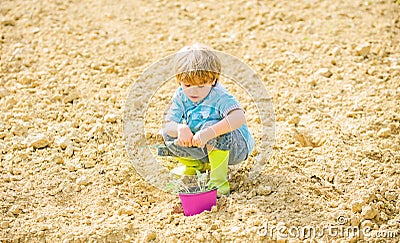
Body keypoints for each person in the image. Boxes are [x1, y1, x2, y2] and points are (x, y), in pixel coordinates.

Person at [160, 43, 255, 196]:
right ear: (179, 81)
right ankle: (198, 166)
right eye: (188, 84)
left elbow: (239, 117)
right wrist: (180, 128)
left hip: (235, 147)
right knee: (168, 133)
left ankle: (218, 182)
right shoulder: (181, 96)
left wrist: (209, 133)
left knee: (212, 126)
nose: (194, 91)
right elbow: (168, 124)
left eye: (201, 85)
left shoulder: (218, 96)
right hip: (203, 143)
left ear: (213, 80)